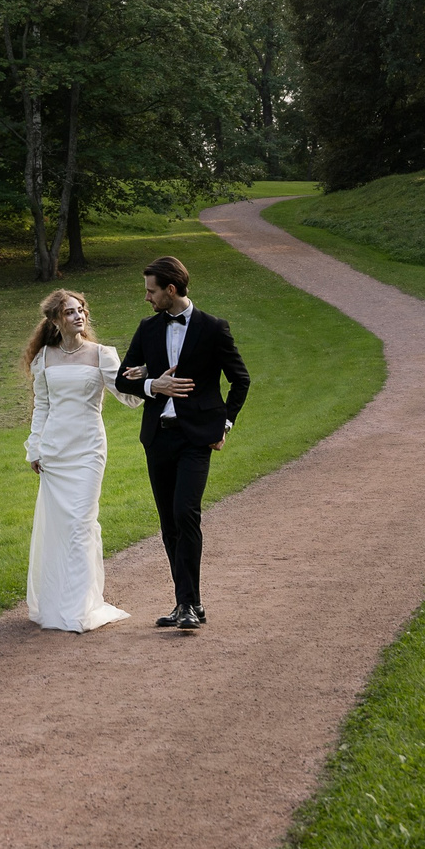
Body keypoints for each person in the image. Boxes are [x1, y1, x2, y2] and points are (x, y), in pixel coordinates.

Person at [117, 254, 250, 630]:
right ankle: (186, 603)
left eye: (151, 291)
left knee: (185, 514)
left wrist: (224, 425)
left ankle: (189, 604)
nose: (147, 298)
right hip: (158, 438)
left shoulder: (213, 328)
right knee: (168, 524)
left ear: (170, 290)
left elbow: (240, 380)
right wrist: (150, 384)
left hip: (197, 439)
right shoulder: (147, 328)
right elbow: (123, 379)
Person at [21, 288, 139, 632]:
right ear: (56, 320)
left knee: (81, 524)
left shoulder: (102, 354)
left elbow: (127, 397)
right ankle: (58, 605)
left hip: (89, 450)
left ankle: (81, 608)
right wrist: (35, 447)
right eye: (71, 312)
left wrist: (146, 378)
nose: (79, 316)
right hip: (55, 453)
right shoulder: (43, 358)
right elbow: (42, 406)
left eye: (81, 310)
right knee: (60, 528)